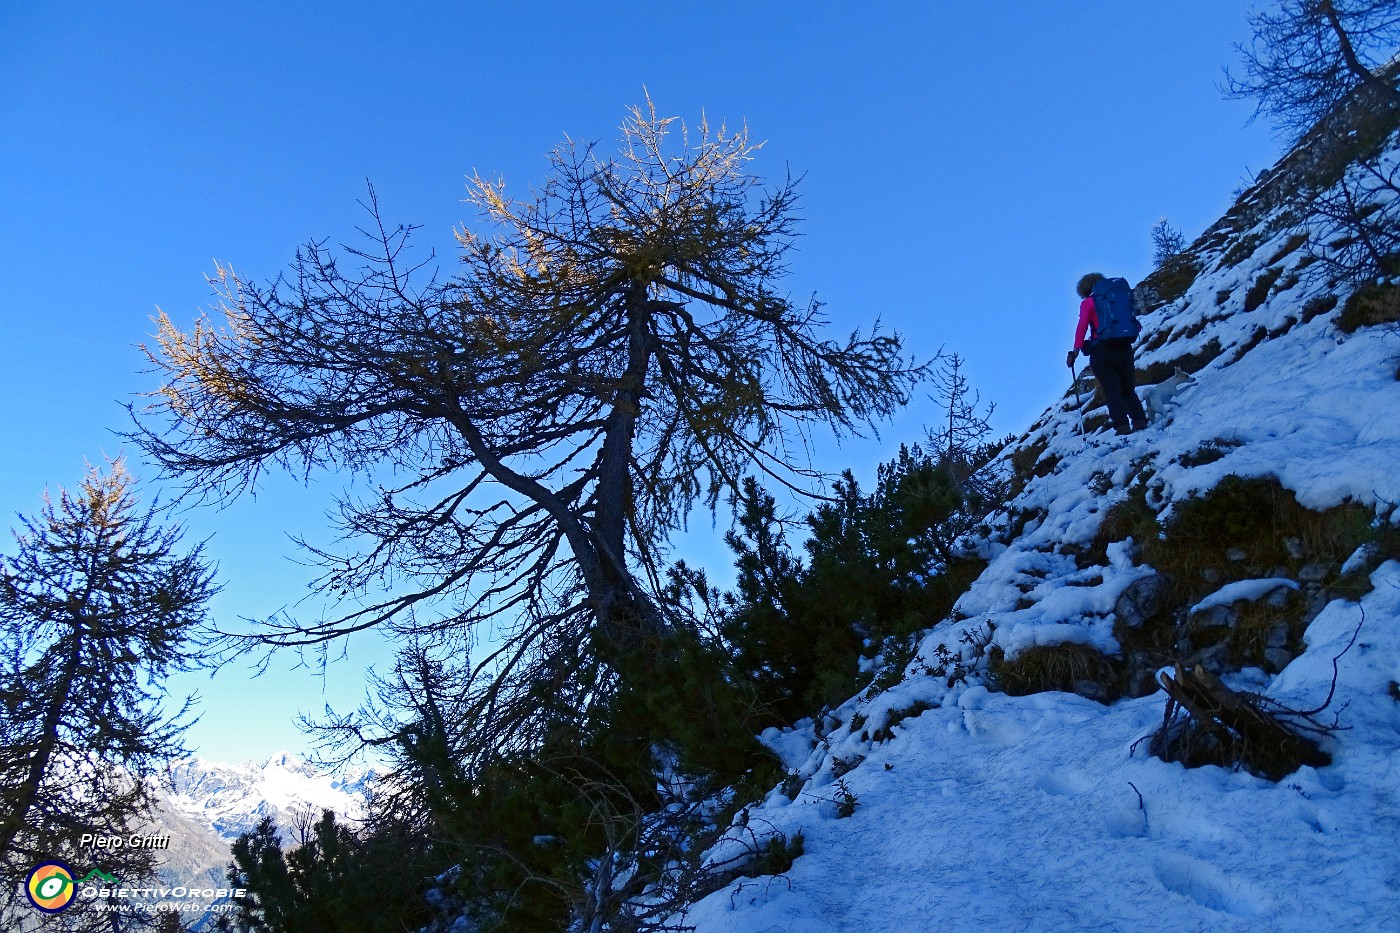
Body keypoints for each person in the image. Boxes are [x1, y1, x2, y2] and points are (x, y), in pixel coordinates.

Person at [1066, 272, 1147, 435]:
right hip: (1124, 348)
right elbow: (1135, 325)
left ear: (1084, 290)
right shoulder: (1117, 298)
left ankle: (1122, 426)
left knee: (1112, 391)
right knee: (1128, 389)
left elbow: (1082, 327)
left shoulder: (1088, 302)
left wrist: (1075, 352)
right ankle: (1139, 420)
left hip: (1102, 351)